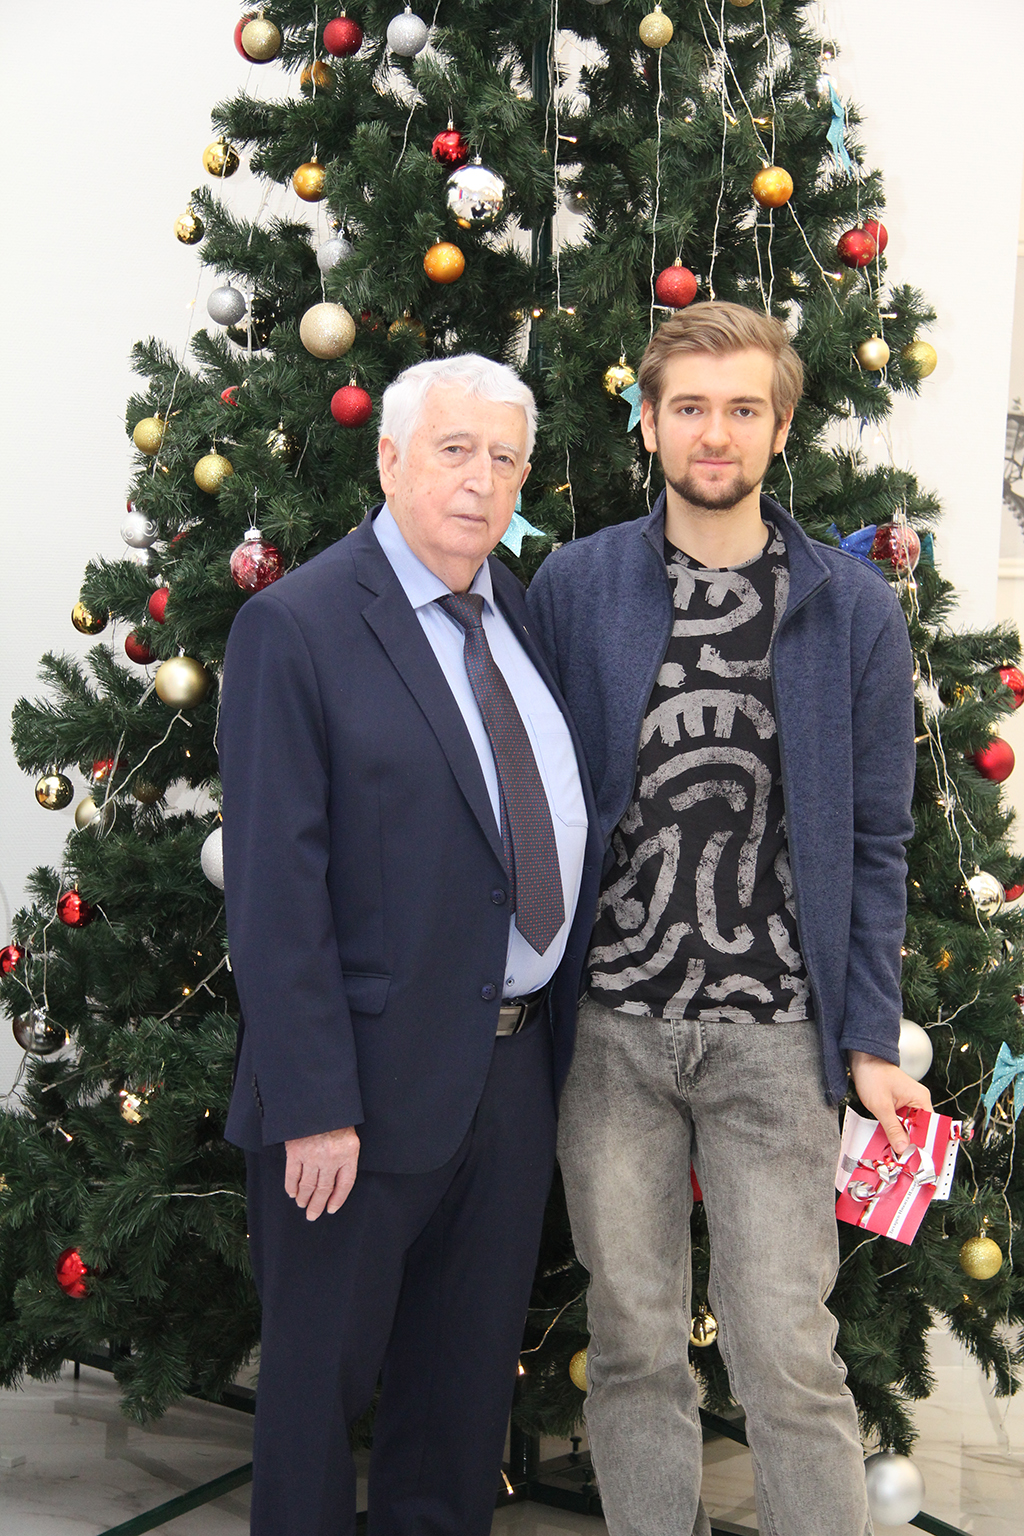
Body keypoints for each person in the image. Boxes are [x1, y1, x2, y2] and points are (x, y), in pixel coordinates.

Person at [525, 302, 930, 1536]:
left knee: (787, 1354)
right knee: (632, 1341)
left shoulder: (852, 608)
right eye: (690, 408)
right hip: (609, 1034)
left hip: (774, 1042)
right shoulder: (575, 586)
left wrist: (868, 1036)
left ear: (779, 425)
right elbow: (526, 803)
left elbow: (877, 839)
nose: (715, 433)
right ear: (648, 424)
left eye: (742, 408)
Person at [217, 353, 602, 1536]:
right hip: (358, 1093)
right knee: (314, 1405)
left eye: (503, 459)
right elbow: (275, 892)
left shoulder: (515, 607)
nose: (479, 481)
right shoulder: (296, 626)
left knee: (459, 1398)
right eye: (452, 450)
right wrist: (313, 1104)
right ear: (388, 460)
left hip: (511, 1073)